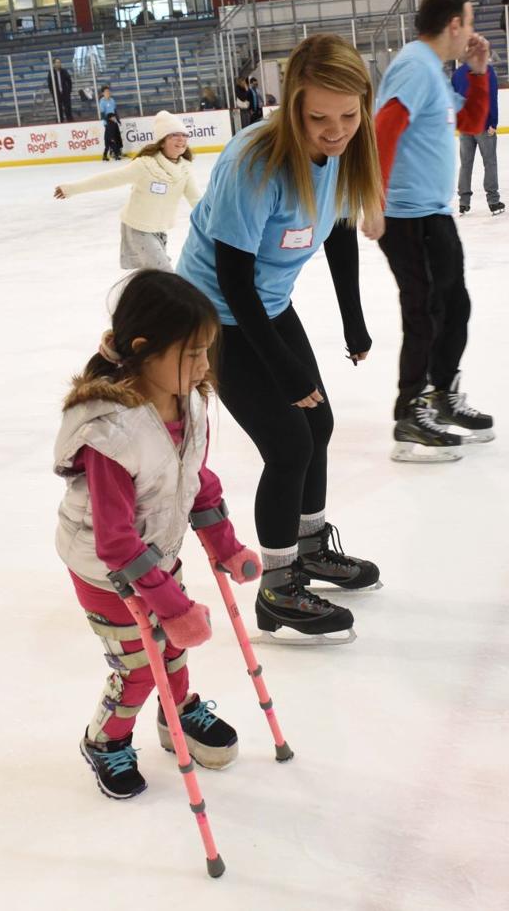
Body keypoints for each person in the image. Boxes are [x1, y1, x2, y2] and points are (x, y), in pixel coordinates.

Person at [176, 34, 383, 646]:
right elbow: (234, 283)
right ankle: (277, 586)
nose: (336, 130)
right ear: (292, 105)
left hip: (268, 305)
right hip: (213, 315)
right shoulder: (254, 162)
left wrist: (353, 319)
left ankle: (312, 547)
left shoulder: (347, 146)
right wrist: (288, 373)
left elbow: (340, 226)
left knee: (318, 428)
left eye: (349, 115)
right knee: (290, 442)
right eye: (319, 117)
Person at [57, 270, 261, 798]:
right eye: (191, 354)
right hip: (107, 575)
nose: (203, 367)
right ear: (144, 349)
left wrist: (227, 546)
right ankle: (106, 740)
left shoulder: (187, 400)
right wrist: (173, 607)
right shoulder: (112, 431)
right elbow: (116, 541)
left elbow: (193, 478)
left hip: (155, 558)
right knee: (136, 669)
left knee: (172, 652)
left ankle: (176, 716)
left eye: (206, 353)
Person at [374, 0, 497, 463]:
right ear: (453, 26)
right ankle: (411, 414)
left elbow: (469, 121)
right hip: (407, 215)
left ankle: (441, 395)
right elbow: (386, 125)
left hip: (433, 212)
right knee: (424, 311)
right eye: (467, 23)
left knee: (454, 307)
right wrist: (374, 199)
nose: (470, 32)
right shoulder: (414, 65)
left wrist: (479, 72)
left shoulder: (433, 71)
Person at [55, 112, 200, 272]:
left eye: (184, 135)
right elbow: (108, 179)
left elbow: (197, 201)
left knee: (153, 276)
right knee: (165, 274)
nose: (181, 139)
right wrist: (71, 189)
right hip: (138, 228)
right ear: (162, 141)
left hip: (159, 229)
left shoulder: (185, 168)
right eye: (174, 135)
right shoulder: (145, 165)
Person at [453, 58, 503, 216]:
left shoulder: (457, 74)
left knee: (466, 164)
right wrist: (493, 122)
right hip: (483, 124)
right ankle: (493, 201)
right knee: (489, 162)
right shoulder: (487, 71)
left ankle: (463, 202)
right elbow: (492, 98)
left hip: (465, 126)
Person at [98, 85, 123, 161]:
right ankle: (114, 153)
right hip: (108, 123)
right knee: (111, 139)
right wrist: (109, 119)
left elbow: (115, 111)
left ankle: (117, 152)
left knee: (117, 137)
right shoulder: (102, 102)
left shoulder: (112, 100)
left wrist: (118, 120)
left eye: (109, 91)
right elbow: (102, 114)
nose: (108, 93)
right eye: (106, 92)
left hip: (114, 122)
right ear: (103, 93)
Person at [48, 58, 74, 123]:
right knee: (58, 108)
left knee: (67, 107)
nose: (58, 64)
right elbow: (50, 84)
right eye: (57, 62)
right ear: (53, 64)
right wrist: (53, 93)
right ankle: (60, 120)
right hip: (57, 94)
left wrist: (69, 90)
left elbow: (69, 81)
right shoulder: (51, 72)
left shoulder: (64, 71)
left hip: (65, 93)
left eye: (59, 62)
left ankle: (70, 120)